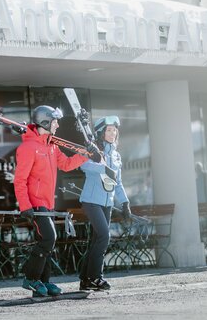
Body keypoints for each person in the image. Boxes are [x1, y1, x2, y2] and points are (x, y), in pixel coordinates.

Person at [14, 104, 101, 297]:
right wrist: (25, 205)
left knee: (48, 242)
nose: (58, 125)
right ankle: (30, 277)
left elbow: (67, 164)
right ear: (45, 122)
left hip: (49, 204)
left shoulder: (51, 146)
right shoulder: (28, 148)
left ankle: (43, 282)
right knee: (49, 238)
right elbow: (19, 180)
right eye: (55, 121)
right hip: (35, 204)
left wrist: (85, 155)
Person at [78, 115, 130, 291]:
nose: (113, 132)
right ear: (101, 133)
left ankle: (85, 279)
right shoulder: (93, 150)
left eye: (115, 129)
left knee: (96, 240)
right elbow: (84, 166)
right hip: (91, 200)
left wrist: (125, 203)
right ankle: (96, 277)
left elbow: (118, 182)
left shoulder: (116, 155)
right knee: (104, 236)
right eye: (109, 129)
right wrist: (103, 168)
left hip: (107, 201)